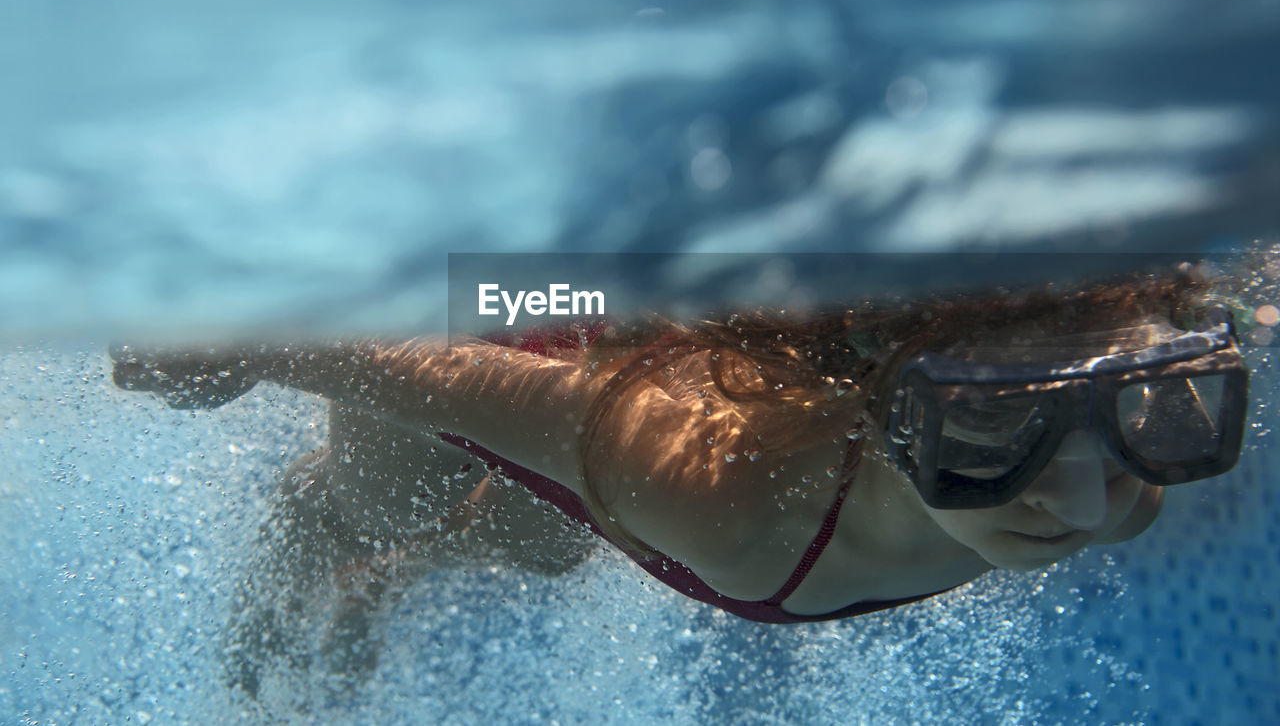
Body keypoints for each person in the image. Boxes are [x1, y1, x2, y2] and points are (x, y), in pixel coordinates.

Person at [110, 268, 1251, 689]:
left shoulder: (1108, 431)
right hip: (539, 307)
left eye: (1147, 415)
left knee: (545, 542)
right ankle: (310, 524)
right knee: (382, 493)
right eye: (993, 436)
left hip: (693, 333)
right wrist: (245, 340)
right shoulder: (719, 489)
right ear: (889, 415)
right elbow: (424, 357)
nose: (1097, 499)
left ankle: (398, 569)